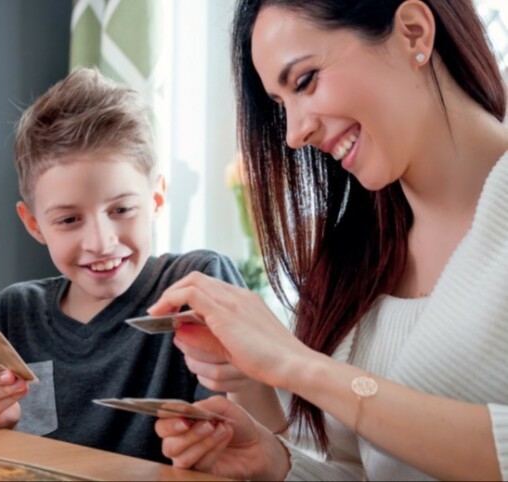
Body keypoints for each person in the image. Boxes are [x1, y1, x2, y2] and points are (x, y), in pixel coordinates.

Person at [149, 0, 508, 480]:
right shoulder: (354, 259)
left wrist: (298, 366)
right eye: (282, 106)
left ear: (414, 33)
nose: (295, 133)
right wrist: (275, 464)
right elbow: (358, 471)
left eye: (304, 81)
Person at [0, 68, 247, 463]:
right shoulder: (15, 312)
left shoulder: (199, 285)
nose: (101, 242)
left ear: (156, 199)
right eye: (69, 220)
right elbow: (17, 449)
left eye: (122, 209)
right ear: (34, 224)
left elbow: (246, 441)